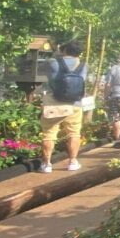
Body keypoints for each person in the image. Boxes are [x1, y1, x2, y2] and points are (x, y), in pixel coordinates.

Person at [39, 41, 87, 173]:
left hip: (53, 103)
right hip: (75, 104)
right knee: (74, 133)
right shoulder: (83, 65)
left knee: (49, 134)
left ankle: (47, 164)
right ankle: (72, 162)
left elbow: (44, 70)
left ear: (64, 50)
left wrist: (58, 53)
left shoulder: (53, 62)